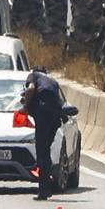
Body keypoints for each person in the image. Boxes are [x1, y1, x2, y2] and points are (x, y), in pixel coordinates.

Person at [23, 67, 64, 200]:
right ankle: (46, 184)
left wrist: (25, 107)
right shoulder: (52, 81)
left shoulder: (33, 76)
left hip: (43, 113)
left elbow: (30, 89)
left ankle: (44, 190)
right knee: (45, 150)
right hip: (54, 117)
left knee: (41, 151)